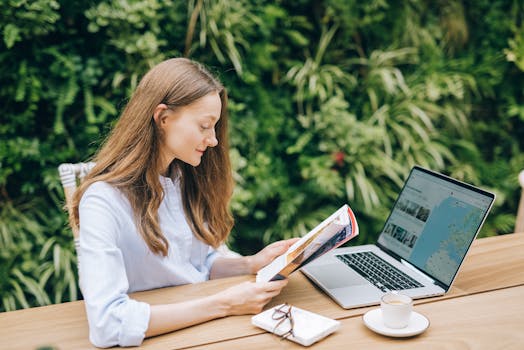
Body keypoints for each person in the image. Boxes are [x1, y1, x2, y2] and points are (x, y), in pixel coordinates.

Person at [70, 57, 298, 348]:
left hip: (202, 329)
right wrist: (223, 304)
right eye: (204, 126)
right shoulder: (103, 201)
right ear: (163, 118)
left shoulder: (182, 177)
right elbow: (108, 323)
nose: (213, 140)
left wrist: (251, 264)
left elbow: (200, 262)